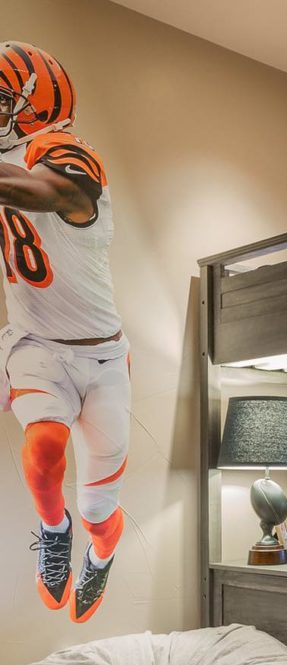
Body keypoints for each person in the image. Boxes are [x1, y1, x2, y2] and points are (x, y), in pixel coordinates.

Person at [0, 40, 129, 623]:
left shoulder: (67, 152)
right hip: (36, 345)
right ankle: (55, 531)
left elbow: (57, 193)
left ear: (34, 104)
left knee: (102, 512)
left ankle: (100, 550)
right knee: (43, 447)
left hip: (102, 358)